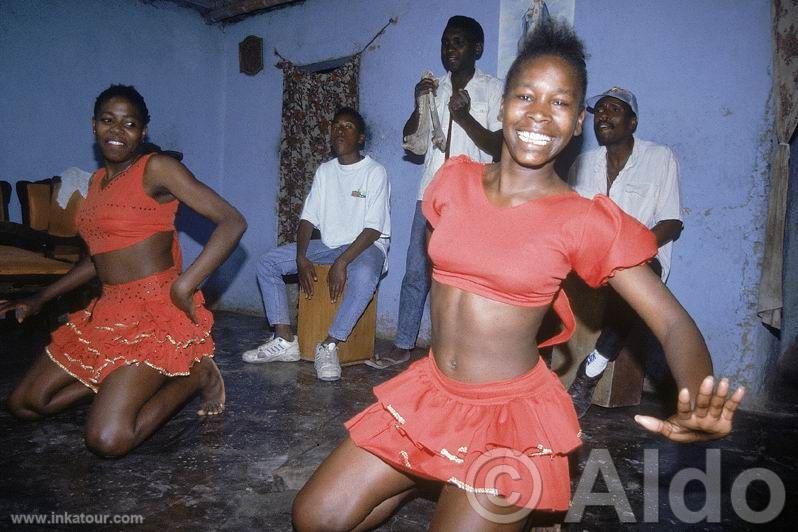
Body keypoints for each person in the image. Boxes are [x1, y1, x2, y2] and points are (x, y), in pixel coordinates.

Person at [291, 21, 744, 531]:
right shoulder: (452, 182)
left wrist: (698, 398)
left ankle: (482, 490)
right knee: (313, 518)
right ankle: (434, 471)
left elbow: (672, 323)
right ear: (503, 104)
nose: (539, 114)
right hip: (434, 396)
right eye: (526, 95)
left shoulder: (583, 218)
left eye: (561, 102)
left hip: (508, 418)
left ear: (577, 124)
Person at [0, 84, 246, 457]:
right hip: (108, 311)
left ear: (143, 131)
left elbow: (232, 221)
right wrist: (40, 298)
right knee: (24, 403)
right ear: (94, 125)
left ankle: (197, 374)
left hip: (154, 312)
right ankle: (115, 376)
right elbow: (98, 260)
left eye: (129, 124)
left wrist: (185, 286)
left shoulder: (157, 168)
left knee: (107, 439)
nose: (117, 131)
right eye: (107, 121)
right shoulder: (97, 182)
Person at [378, 15, 503, 368]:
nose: (450, 49)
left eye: (458, 42)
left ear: (477, 49)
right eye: (446, 42)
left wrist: (464, 118)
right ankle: (404, 343)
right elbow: (414, 146)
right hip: (430, 192)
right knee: (417, 270)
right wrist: (419, 103)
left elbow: (498, 146)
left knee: (466, 275)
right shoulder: (434, 87)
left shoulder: (494, 89)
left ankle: (457, 351)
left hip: (473, 194)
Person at [241, 107, 390, 382]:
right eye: (336, 126)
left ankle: (329, 344)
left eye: (347, 126)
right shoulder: (325, 171)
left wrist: (342, 261)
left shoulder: (375, 172)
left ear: (360, 138)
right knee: (268, 263)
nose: (339, 131)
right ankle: (285, 340)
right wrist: (301, 256)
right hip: (330, 244)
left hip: (367, 245)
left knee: (365, 273)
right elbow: (307, 219)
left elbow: (373, 228)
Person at [567, 87, 684, 418]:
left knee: (634, 276)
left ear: (633, 123)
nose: (603, 115)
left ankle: (592, 368)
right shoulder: (583, 163)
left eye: (613, 110)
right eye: (599, 110)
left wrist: (632, 248)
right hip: (592, 257)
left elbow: (672, 222)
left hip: (642, 255)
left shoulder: (659, 158)